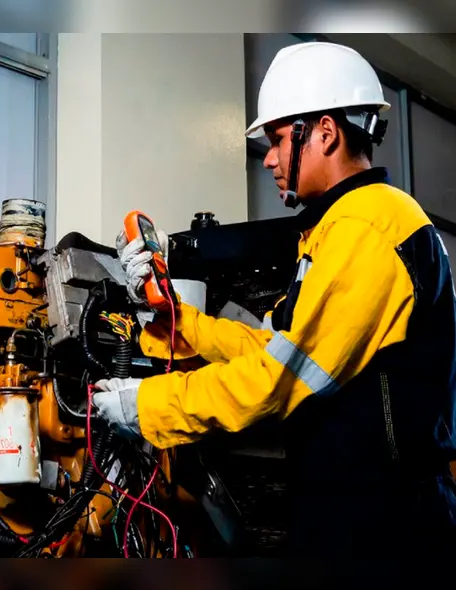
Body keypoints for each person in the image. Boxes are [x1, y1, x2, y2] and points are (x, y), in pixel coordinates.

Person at [94, 41, 456, 557]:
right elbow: (271, 345)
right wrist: (176, 319)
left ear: (325, 133)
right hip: (354, 506)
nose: (269, 159)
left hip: (386, 523)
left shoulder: (367, 228)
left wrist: (145, 406)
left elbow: (276, 381)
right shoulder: (338, 228)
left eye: (280, 139)